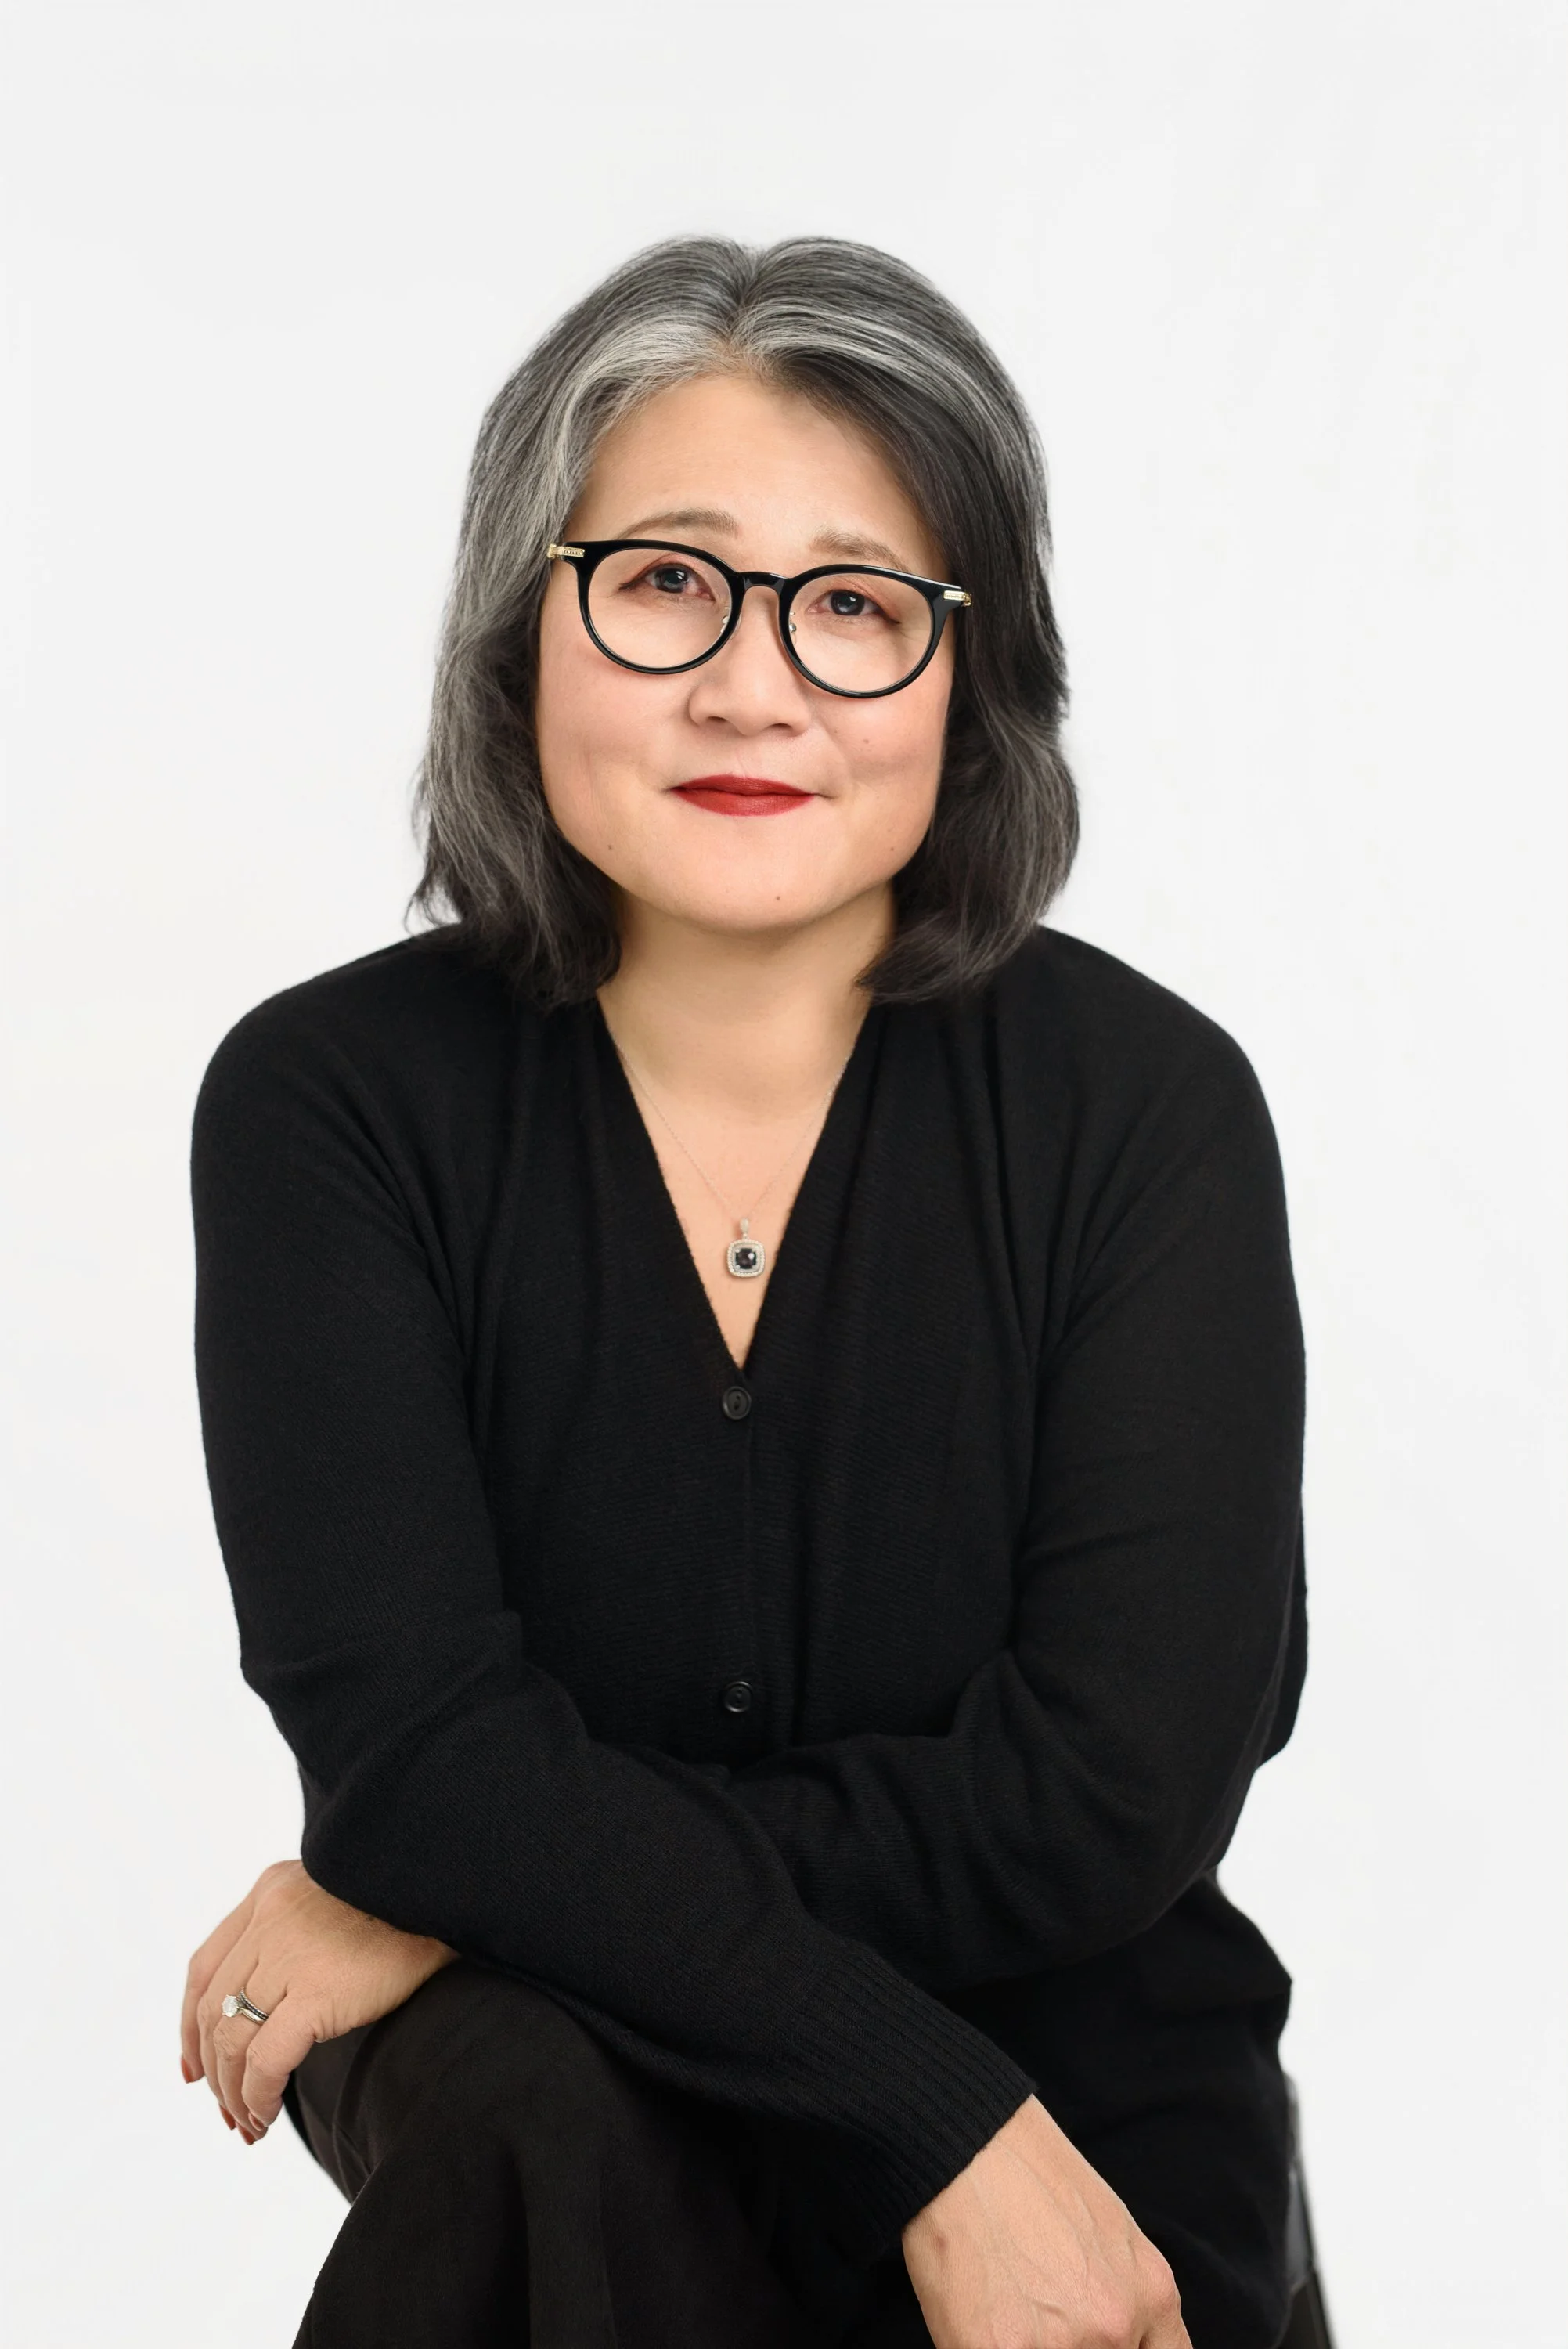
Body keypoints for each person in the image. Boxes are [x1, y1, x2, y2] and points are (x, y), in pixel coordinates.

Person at [178, 236, 1310, 2349]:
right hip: (566, 2106)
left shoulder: (1147, 1111)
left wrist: (471, 1890)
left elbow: (1105, 1801)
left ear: (972, 670)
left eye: (856, 605)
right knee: (524, 2113)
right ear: (525, 623)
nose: (753, 687)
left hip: (1095, 2099)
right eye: (666, 582)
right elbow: (416, 1757)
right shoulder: (330, 1105)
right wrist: (934, 2121)